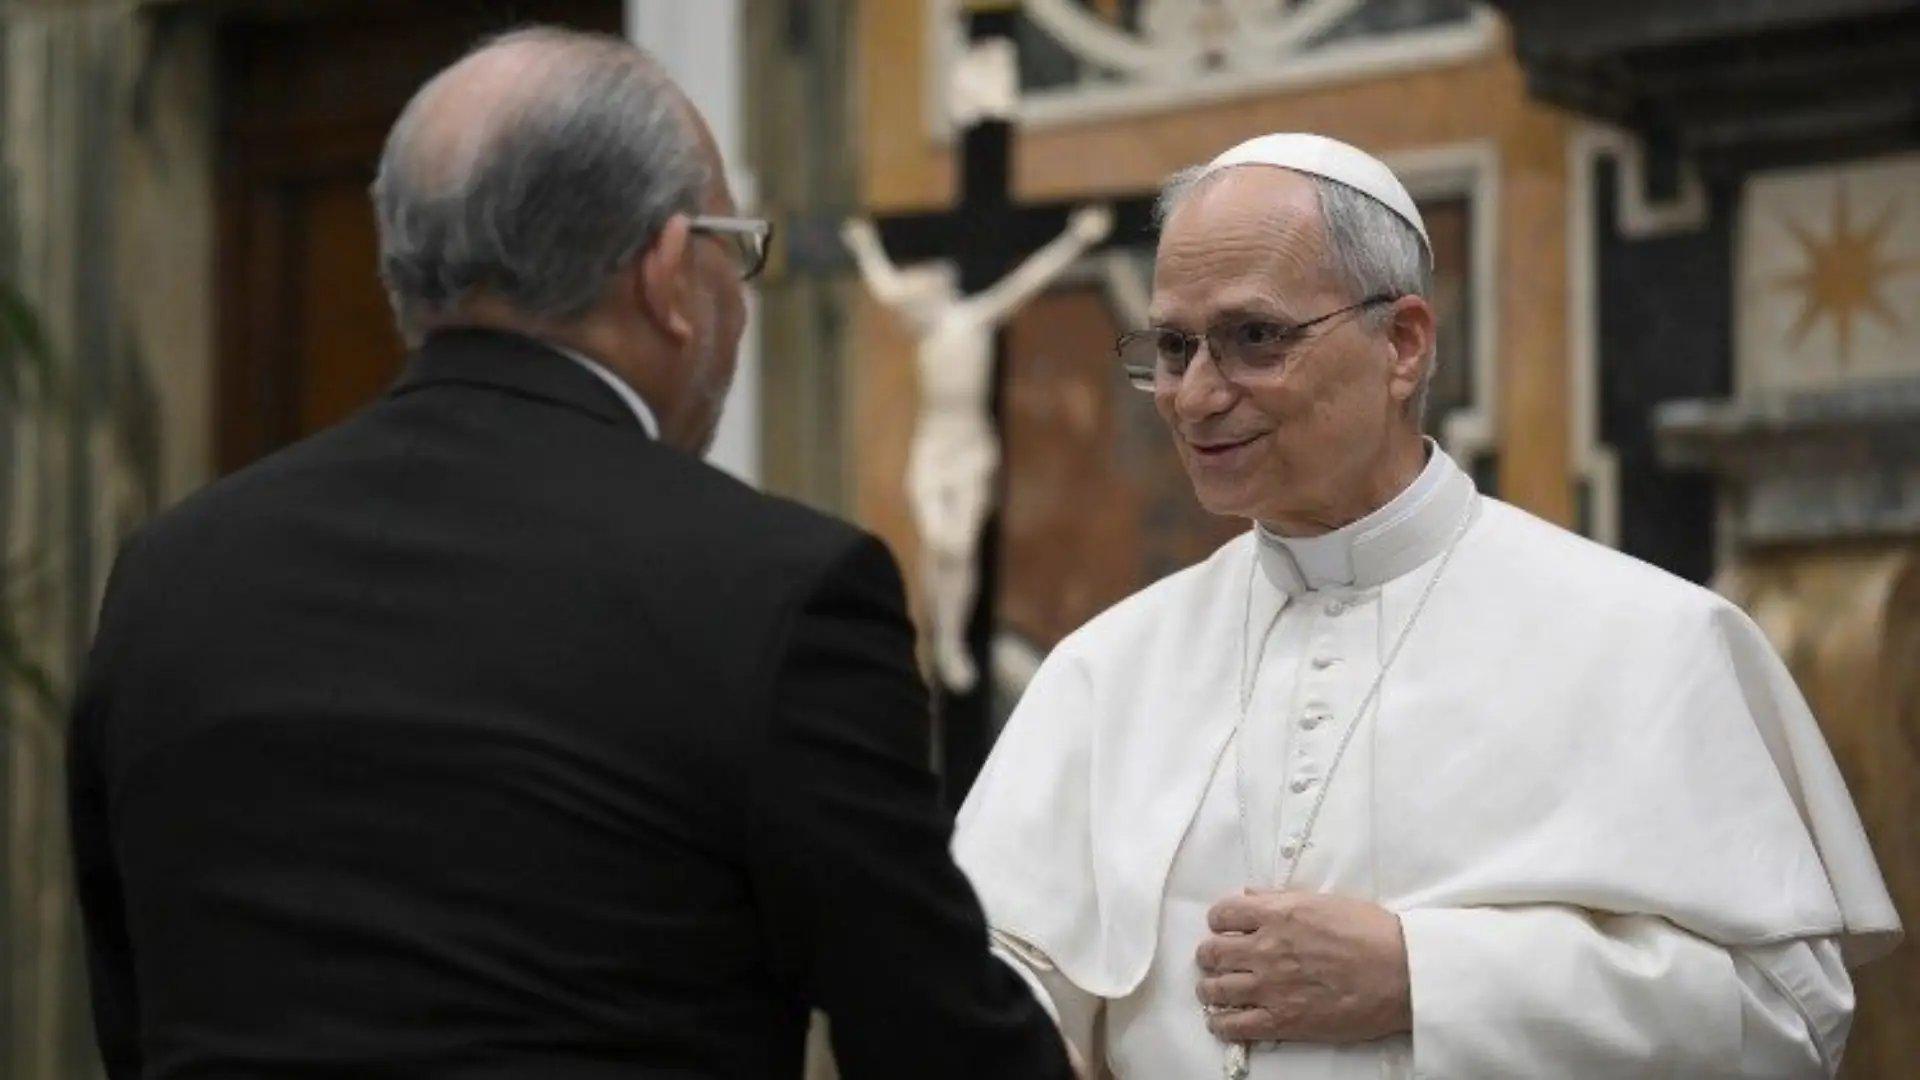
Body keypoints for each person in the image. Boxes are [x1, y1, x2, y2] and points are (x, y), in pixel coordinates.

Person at [67, 28, 1069, 1080]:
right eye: (736, 249)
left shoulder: (168, 574)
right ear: (670, 276)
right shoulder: (776, 593)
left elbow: (135, 1012)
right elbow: (937, 1047)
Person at [954, 132, 1901, 1079]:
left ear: (1402, 344)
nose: (1195, 396)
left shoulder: (1648, 639)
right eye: (1172, 347)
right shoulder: (1105, 672)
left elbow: (1788, 1017)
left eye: (1255, 338)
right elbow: (991, 974)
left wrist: (1424, 976)